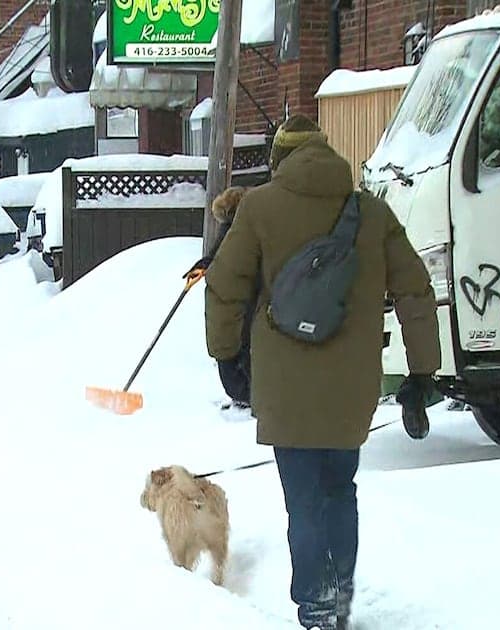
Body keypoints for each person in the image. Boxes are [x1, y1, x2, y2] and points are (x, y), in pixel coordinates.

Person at [203, 114, 441, 630]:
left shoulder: (260, 208)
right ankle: (340, 593)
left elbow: (224, 285)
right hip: (350, 388)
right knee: (341, 489)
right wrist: (422, 371)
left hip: (285, 389)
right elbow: (415, 291)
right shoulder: (371, 214)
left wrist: (226, 356)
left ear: (279, 158)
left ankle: (316, 602)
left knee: (303, 501)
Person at [187, 186, 254, 409]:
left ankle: (247, 395)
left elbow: (222, 256)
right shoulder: (238, 229)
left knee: (237, 348)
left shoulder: (240, 230)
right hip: (236, 305)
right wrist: (206, 264)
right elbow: (219, 254)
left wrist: (208, 264)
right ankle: (246, 394)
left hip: (237, 303)